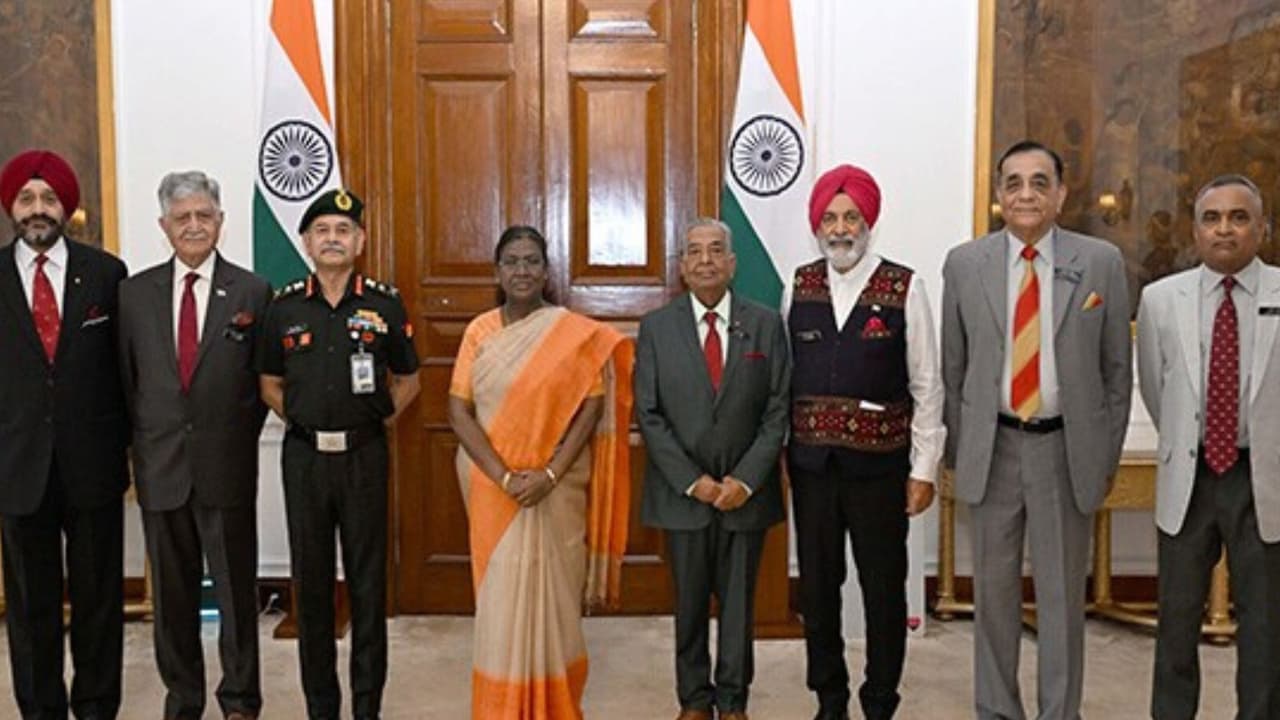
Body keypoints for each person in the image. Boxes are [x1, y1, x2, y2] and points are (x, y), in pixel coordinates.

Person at [940, 140, 1132, 720]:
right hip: (993, 449)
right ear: (1000, 194)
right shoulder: (964, 264)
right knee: (993, 599)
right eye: (1014, 183)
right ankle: (997, 710)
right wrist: (961, 451)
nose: (1026, 194)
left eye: (1039, 182)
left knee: (1061, 600)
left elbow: (1116, 373)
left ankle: (1059, 712)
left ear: (1061, 194)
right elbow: (953, 368)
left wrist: (1103, 457)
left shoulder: (1100, 262)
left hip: (1064, 451)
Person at [447, 224, 633, 719]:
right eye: (512, 261)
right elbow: (458, 411)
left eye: (532, 261)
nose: (522, 271)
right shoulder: (480, 331)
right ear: (497, 272)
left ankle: (555, 704)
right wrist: (505, 477)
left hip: (558, 485)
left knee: (556, 599)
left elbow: (592, 408)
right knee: (500, 601)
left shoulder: (571, 334)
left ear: (546, 271)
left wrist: (549, 474)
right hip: (492, 485)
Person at [784, 165, 944, 720]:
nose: (840, 228)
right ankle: (830, 701)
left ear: (868, 221)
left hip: (881, 472)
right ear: (816, 225)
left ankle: (880, 702)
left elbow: (927, 385)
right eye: (830, 218)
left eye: (850, 217)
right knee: (818, 592)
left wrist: (924, 469)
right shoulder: (797, 285)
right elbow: (785, 378)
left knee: (882, 590)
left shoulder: (904, 286)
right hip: (812, 471)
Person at [256, 188, 421, 720]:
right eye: (322, 231)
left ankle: (367, 708)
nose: (333, 239)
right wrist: (305, 420)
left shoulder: (384, 304)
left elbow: (410, 380)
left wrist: (373, 421)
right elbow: (268, 382)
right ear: (306, 242)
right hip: (305, 459)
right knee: (312, 589)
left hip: (364, 458)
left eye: (343, 230)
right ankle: (321, 708)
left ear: (360, 241)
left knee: (368, 588)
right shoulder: (283, 307)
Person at [117, 171, 272, 720]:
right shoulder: (133, 295)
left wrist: (232, 438)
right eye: (182, 217)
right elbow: (127, 383)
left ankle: (240, 701)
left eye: (204, 215)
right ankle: (183, 700)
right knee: (172, 601)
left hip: (226, 467)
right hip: (160, 468)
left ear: (221, 222)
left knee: (236, 595)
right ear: (164, 225)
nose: (194, 226)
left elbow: (261, 386)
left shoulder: (252, 291)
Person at [1136, 174, 1280, 720]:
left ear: (1262, 228)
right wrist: (1191, 441)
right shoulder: (1160, 300)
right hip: (1189, 480)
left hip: (1262, 479)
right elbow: (1157, 386)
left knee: (1265, 628)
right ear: (1195, 230)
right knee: (1175, 624)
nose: (1225, 229)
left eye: (1239, 217)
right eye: (1212, 218)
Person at [635, 218, 790, 720]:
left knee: (739, 606)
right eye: (695, 252)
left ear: (732, 262)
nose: (706, 260)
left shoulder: (766, 324)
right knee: (689, 603)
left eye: (716, 250)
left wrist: (744, 480)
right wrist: (692, 481)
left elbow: (778, 410)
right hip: (682, 495)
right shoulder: (656, 328)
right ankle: (695, 700)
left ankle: (734, 700)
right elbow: (648, 414)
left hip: (746, 494)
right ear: (682, 266)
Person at [0, 149, 129, 719]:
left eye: (49, 198)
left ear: (67, 207)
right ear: (11, 207)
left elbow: (126, 371)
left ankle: (96, 706)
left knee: (99, 599)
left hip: (92, 462)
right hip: (17, 466)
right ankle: (41, 709)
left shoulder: (106, 274)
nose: (38, 209)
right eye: (26, 198)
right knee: (31, 606)